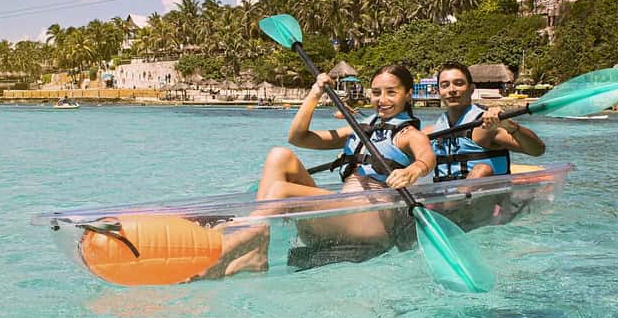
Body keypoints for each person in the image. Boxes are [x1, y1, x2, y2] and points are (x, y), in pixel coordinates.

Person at [206, 64, 436, 277]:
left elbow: (427, 157)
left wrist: (414, 170)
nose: (382, 99)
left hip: (370, 219)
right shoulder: (360, 129)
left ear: (407, 94)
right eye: (376, 92)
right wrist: (315, 93)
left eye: (391, 92)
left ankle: (244, 236)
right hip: (343, 210)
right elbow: (298, 137)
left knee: (282, 190)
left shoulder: (409, 135)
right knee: (279, 156)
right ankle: (257, 244)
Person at [425, 62, 545, 181]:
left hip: (487, 197)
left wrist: (510, 126)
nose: (451, 90)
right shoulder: (430, 133)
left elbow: (537, 150)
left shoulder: (486, 128)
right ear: (438, 91)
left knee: (482, 170)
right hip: (444, 195)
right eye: (445, 85)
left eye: (458, 83)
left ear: (471, 89)